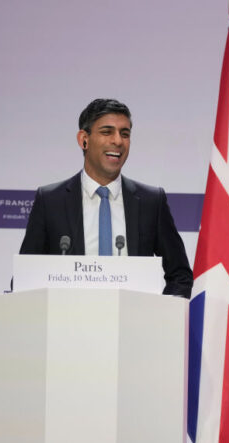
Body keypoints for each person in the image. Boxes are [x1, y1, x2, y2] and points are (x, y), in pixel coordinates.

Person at [19, 98, 193, 298]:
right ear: (84, 139)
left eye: (124, 134)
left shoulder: (152, 202)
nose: (118, 141)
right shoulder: (50, 201)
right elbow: (26, 278)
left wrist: (162, 316)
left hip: (134, 325)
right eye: (107, 132)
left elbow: (180, 275)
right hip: (68, 324)